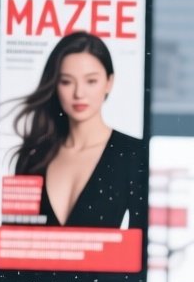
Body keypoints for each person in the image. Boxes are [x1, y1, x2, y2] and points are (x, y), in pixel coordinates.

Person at [10, 31, 144, 230]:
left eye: (91, 81)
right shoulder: (33, 157)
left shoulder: (134, 154)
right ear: (55, 84)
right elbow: (15, 243)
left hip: (110, 262)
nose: (79, 93)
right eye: (66, 81)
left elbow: (141, 244)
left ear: (109, 82)